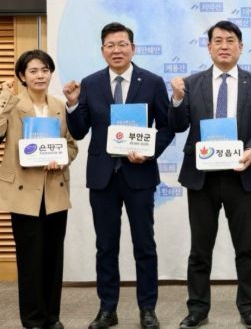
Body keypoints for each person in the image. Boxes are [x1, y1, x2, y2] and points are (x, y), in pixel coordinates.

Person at [63, 22, 174, 329]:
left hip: (139, 175)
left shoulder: (151, 82)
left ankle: (147, 309)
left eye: (122, 44)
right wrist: (72, 104)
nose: (117, 50)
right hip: (103, 177)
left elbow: (167, 126)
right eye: (110, 45)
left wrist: (150, 151)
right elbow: (79, 131)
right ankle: (107, 309)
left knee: (144, 245)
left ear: (133, 48)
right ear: (102, 51)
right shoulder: (90, 83)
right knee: (106, 246)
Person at [169, 20, 251, 329]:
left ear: (241, 46)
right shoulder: (192, 83)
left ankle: (249, 308)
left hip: (242, 174)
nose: (224, 46)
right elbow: (178, 125)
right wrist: (177, 99)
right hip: (202, 177)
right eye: (218, 40)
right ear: (209, 47)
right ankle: (198, 308)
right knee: (200, 249)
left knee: (246, 248)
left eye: (230, 40)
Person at [0, 51, 78, 329]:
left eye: (45, 70)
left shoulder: (59, 105)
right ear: (22, 76)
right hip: (24, 192)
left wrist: (62, 158)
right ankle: (33, 319)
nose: (40, 75)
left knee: (53, 257)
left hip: (54, 188)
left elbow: (71, 145)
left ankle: (52, 316)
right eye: (33, 71)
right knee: (30, 258)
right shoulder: (12, 103)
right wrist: (4, 98)